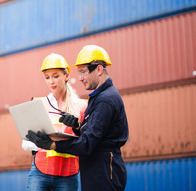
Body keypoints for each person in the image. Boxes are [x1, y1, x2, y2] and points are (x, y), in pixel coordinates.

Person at [26, 45, 129, 191]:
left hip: (103, 173)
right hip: (95, 170)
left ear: (99, 69)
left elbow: (87, 144)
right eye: (47, 77)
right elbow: (94, 134)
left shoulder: (104, 100)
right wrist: (77, 128)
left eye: (83, 72)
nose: (79, 78)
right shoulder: (99, 98)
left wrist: (52, 145)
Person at [23, 53, 88, 191]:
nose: (51, 81)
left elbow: (88, 141)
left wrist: (77, 126)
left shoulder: (82, 107)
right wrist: (38, 141)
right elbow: (26, 143)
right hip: (40, 171)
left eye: (55, 76)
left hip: (68, 174)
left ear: (66, 76)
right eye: (47, 77)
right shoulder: (39, 104)